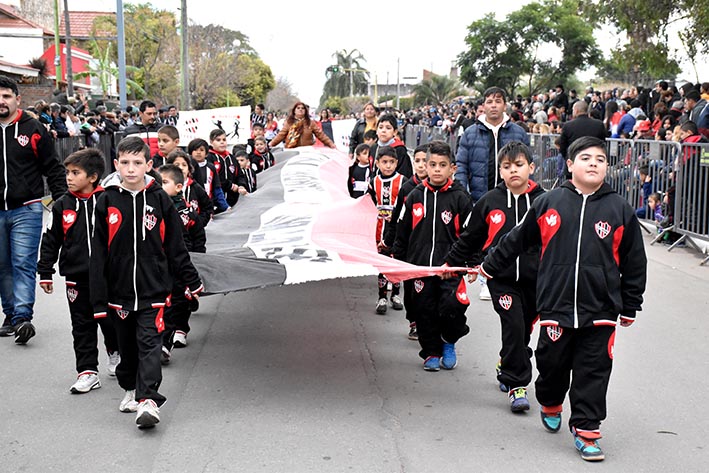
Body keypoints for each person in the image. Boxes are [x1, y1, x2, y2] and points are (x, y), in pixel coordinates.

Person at [478, 136, 647, 462]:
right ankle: (551, 401)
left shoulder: (619, 210)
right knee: (552, 366)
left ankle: (587, 429)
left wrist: (630, 303)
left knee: (593, 370)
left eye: (600, 158)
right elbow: (517, 239)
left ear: (607, 167)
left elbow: (634, 261)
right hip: (555, 306)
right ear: (570, 165)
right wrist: (490, 265)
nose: (593, 163)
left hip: (600, 309)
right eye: (585, 158)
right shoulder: (550, 203)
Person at [90, 136, 204, 429]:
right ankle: (131, 388)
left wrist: (191, 279)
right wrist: (99, 298)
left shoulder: (159, 199)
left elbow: (176, 246)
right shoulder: (106, 200)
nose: (131, 169)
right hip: (120, 294)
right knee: (128, 351)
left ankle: (149, 401)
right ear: (116, 165)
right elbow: (99, 253)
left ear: (149, 165)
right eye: (125, 163)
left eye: (137, 163)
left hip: (155, 290)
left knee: (150, 343)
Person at [444, 141, 545, 410]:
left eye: (519, 165)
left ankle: (507, 361)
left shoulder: (545, 201)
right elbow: (470, 239)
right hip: (500, 279)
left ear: (531, 168)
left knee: (523, 329)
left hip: (536, 281)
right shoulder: (489, 202)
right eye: (507, 166)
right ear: (500, 171)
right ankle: (517, 386)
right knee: (513, 325)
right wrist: (450, 265)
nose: (513, 171)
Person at [37, 148, 120, 393]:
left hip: (107, 276)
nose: (69, 178)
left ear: (93, 177)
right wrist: (45, 271)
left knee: (109, 320)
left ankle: (115, 352)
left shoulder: (109, 200)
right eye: (67, 173)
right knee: (81, 324)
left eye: (76, 173)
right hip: (76, 276)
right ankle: (87, 371)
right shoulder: (62, 204)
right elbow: (50, 239)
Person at [391, 140, 472, 371]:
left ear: (452, 168)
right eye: (433, 164)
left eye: (442, 165)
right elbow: (402, 230)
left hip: (450, 269)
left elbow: (470, 234)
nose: (437, 169)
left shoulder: (461, 198)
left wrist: (470, 262)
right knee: (424, 310)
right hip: (420, 268)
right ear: (425, 166)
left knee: (452, 308)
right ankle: (431, 352)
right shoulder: (414, 195)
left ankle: (449, 340)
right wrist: (398, 260)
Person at [0, 75, 67, 342]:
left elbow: (53, 167)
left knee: (23, 263)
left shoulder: (33, 128)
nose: (1, 101)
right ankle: (11, 315)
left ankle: (23, 318)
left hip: (27, 208)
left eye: (6, 96)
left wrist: (62, 201)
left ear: (18, 99)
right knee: (3, 266)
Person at [455, 86, 529, 301]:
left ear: (505, 105)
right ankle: (485, 280)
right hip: (481, 193)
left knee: (507, 234)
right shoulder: (471, 132)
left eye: (498, 101)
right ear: (483, 106)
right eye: (489, 101)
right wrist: (464, 192)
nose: (493, 105)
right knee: (484, 237)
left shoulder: (517, 132)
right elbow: (461, 164)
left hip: (511, 193)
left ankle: (505, 276)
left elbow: (528, 161)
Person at [157, 163, 206, 361]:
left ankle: (179, 331)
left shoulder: (187, 213)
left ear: (179, 187)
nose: (160, 187)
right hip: (161, 264)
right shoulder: (155, 209)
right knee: (164, 304)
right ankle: (163, 344)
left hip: (183, 264)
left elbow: (198, 237)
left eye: (165, 183)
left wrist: (198, 261)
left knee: (179, 302)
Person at [385, 143, 430, 340]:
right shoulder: (407, 189)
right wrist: (390, 243)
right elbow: (397, 219)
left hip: (434, 247)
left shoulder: (445, 190)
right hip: (411, 247)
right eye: (417, 161)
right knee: (412, 289)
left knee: (431, 290)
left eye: (425, 161)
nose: (421, 166)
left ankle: (430, 324)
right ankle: (414, 322)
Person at [367, 146, 406, 314]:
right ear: (377, 163)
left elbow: (407, 202)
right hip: (379, 228)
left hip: (397, 228)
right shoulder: (373, 181)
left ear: (396, 163)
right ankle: (382, 296)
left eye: (391, 162)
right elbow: (368, 203)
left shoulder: (403, 181)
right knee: (382, 263)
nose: (388, 166)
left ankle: (396, 294)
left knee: (395, 262)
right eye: (384, 162)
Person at [559, 100, 608, 177]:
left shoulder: (568, 126)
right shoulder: (598, 125)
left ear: (576, 110)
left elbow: (562, 147)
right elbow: (603, 144)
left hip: (574, 163)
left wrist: (570, 157)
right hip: (593, 165)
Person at [166, 149, 213, 228]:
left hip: (192, 232)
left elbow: (207, 207)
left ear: (189, 169)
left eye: (184, 165)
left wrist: (199, 223)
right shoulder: (165, 187)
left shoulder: (196, 188)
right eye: (177, 165)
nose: (181, 168)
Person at [268, 102, 335, 149]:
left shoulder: (310, 123)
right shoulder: (289, 123)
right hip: (291, 151)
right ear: (294, 111)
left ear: (305, 111)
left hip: (307, 152)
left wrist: (331, 144)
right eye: (298, 108)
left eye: (303, 108)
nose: (300, 109)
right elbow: (281, 135)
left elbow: (321, 135)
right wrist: (270, 144)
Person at [188, 138, 229, 214]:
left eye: (201, 150)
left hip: (208, 206)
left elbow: (217, 189)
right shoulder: (187, 167)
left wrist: (225, 207)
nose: (198, 152)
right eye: (195, 150)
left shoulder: (211, 167)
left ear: (206, 153)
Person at [370, 113, 412, 178]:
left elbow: (405, 174)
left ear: (395, 132)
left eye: (388, 128)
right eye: (380, 127)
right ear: (376, 131)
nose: (383, 131)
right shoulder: (373, 148)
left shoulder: (399, 150)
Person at [208, 128, 239, 207]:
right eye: (218, 140)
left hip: (232, 199)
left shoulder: (232, 158)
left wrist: (241, 185)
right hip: (215, 199)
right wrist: (230, 186)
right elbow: (214, 179)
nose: (222, 142)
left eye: (224, 140)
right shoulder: (209, 158)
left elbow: (239, 175)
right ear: (211, 142)